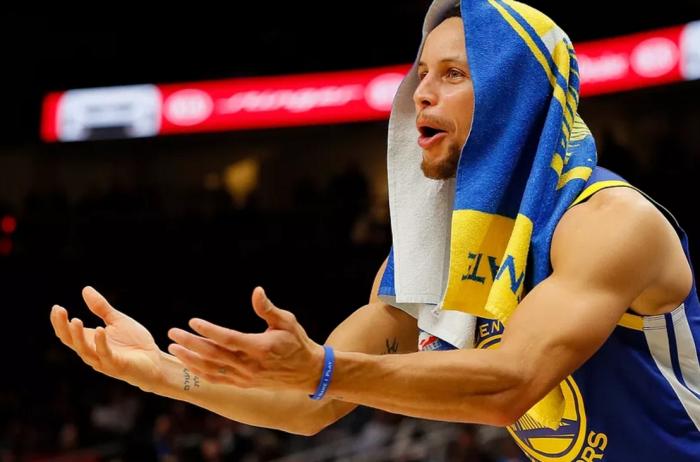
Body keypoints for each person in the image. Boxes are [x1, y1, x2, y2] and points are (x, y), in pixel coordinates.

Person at [50, 1, 700, 460]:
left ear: (515, 97)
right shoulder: (432, 249)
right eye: (422, 73)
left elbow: (510, 385)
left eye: (453, 74)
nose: (421, 94)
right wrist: (161, 374)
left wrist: (323, 369)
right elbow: (310, 404)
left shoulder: (607, 222)